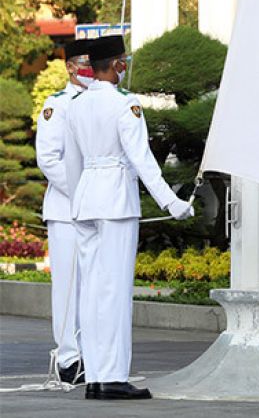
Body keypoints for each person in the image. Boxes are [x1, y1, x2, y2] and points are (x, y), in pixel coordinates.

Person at [64, 35, 194, 400]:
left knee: (91, 292)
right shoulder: (126, 104)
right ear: (117, 64)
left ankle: (95, 377)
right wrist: (172, 203)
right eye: (123, 61)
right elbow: (142, 159)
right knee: (115, 292)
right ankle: (113, 377)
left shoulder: (76, 105)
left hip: (86, 201)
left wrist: (78, 202)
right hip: (116, 203)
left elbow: (72, 161)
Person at [35, 39, 93, 384]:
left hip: (99, 209)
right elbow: (49, 159)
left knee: (94, 286)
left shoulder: (103, 102)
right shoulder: (57, 106)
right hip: (66, 209)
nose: (90, 69)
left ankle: (93, 353)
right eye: (85, 63)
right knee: (69, 286)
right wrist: (83, 191)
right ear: (70, 66)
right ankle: (69, 359)